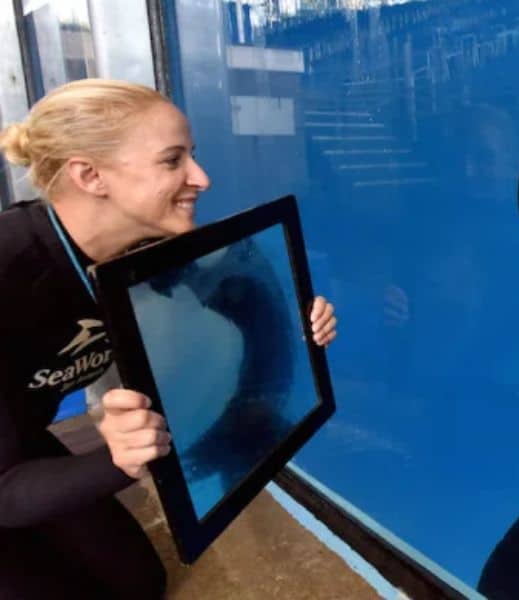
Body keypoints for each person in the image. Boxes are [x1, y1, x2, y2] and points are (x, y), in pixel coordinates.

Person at [0, 78, 338, 599]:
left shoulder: (148, 248)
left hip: (19, 434)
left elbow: (243, 286)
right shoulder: (9, 270)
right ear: (90, 175)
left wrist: (303, 320)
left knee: (137, 581)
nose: (200, 178)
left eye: (192, 156)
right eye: (172, 160)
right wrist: (116, 459)